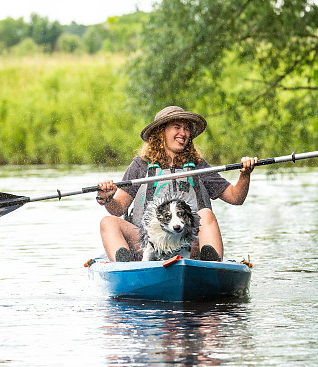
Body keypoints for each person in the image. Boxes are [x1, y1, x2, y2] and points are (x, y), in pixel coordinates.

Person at [97, 106, 257, 262]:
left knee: (206, 214)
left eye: (187, 129)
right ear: (161, 132)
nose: (184, 133)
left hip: (189, 242)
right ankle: (126, 267)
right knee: (107, 222)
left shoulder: (199, 166)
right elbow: (118, 210)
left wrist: (245, 174)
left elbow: (236, 197)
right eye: (177, 127)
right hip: (148, 244)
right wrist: (107, 198)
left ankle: (212, 267)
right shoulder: (141, 165)